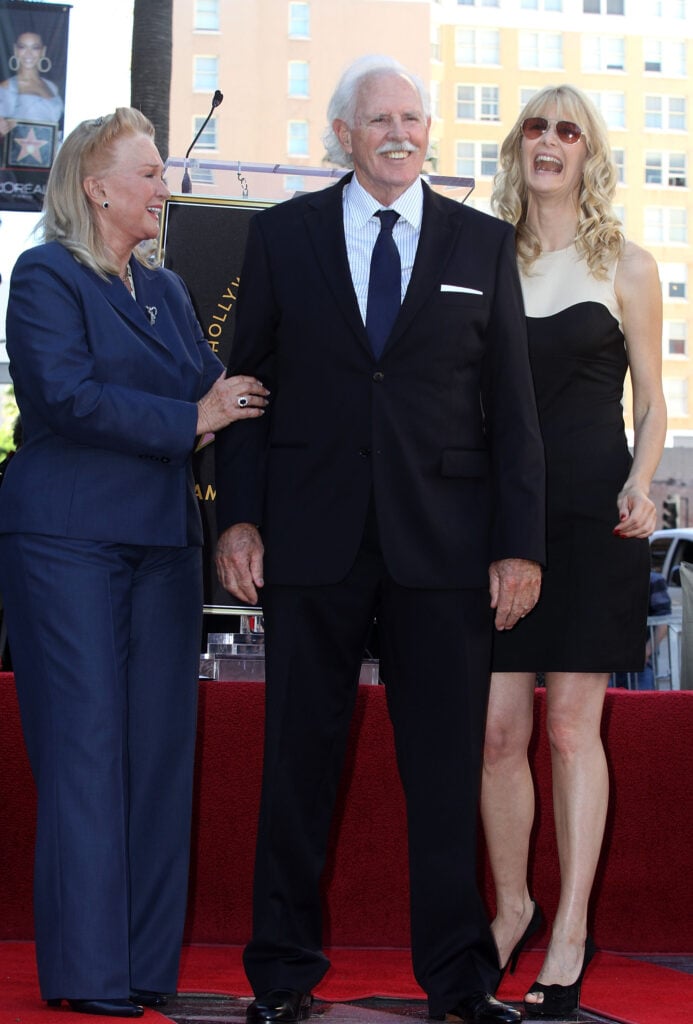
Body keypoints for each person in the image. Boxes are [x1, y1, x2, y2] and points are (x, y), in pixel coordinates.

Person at [214, 55, 546, 1024]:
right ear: (343, 135)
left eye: (412, 118)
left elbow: (512, 411)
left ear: (428, 131)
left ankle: (459, 982)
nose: (399, 134)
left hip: (442, 549)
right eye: (379, 120)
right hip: (310, 539)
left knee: (444, 774)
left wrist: (518, 544)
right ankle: (281, 977)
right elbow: (248, 391)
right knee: (297, 767)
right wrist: (238, 516)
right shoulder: (282, 237)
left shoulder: (482, 243)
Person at [0, 108, 268, 1018]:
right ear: (97, 188)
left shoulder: (166, 291)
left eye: (162, 171)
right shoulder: (45, 274)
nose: (164, 186)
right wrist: (192, 418)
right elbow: (64, 396)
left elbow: (221, 392)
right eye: (149, 173)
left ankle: (145, 967)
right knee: (84, 754)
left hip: (162, 548)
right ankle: (88, 977)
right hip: (66, 541)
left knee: (158, 758)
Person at [483, 84, 667, 1019]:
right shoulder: (483, 260)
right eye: (535, 127)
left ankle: (569, 932)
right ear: (516, 149)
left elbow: (654, 405)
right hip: (501, 523)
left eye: (568, 130)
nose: (549, 141)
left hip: (595, 518)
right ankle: (512, 906)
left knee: (567, 729)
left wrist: (641, 482)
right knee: (496, 732)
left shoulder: (626, 265)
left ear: (588, 154)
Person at [0, 30, 63, 134]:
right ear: (15, 50)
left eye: (35, 48)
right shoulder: (6, 87)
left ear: (43, 51)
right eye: (22, 47)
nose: (28, 53)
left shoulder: (51, 87)